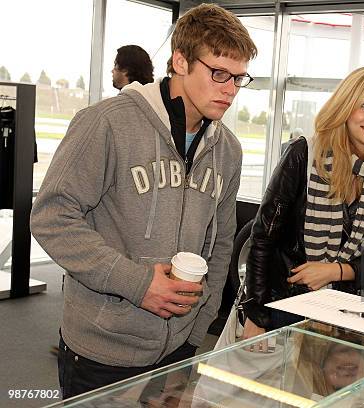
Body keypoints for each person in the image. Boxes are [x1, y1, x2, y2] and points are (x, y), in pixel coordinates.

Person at [30, 4, 257, 399]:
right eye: (219, 74)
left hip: (181, 349)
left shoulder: (229, 151)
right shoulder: (106, 123)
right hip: (102, 349)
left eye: (239, 78)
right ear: (180, 61)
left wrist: (197, 330)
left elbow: (220, 245)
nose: (230, 89)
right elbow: (52, 217)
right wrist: (135, 283)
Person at [242, 66, 364, 338]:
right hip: (284, 306)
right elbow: (263, 239)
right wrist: (256, 315)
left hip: (346, 316)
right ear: (345, 106)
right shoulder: (305, 155)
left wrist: (336, 271)